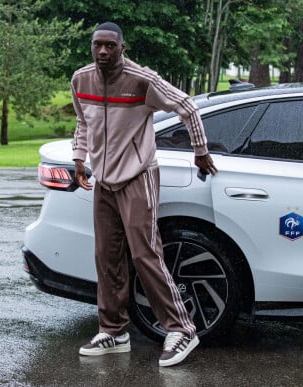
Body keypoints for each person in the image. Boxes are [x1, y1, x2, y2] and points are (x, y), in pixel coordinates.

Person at [71, 21, 218, 367]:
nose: (103, 51)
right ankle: (113, 331)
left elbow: (187, 106)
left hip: (138, 176)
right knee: (106, 257)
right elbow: (83, 122)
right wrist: (79, 159)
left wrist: (200, 149)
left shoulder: (142, 80)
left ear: (123, 48)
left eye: (110, 45)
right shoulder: (81, 80)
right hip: (104, 181)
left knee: (144, 254)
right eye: (97, 45)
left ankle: (182, 328)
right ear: (91, 47)